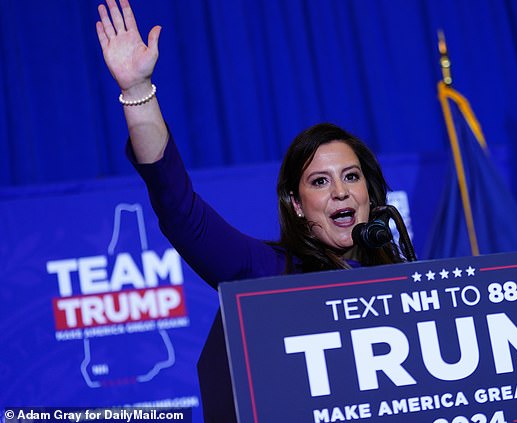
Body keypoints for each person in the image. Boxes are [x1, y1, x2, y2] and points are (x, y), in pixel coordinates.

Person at [96, 0, 404, 421]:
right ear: (296, 205)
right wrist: (137, 92)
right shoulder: (269, 272)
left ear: (370, 191)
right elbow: (181, 213)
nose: (340, 192)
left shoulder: (405, 279)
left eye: (351, 177)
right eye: (320, 181)